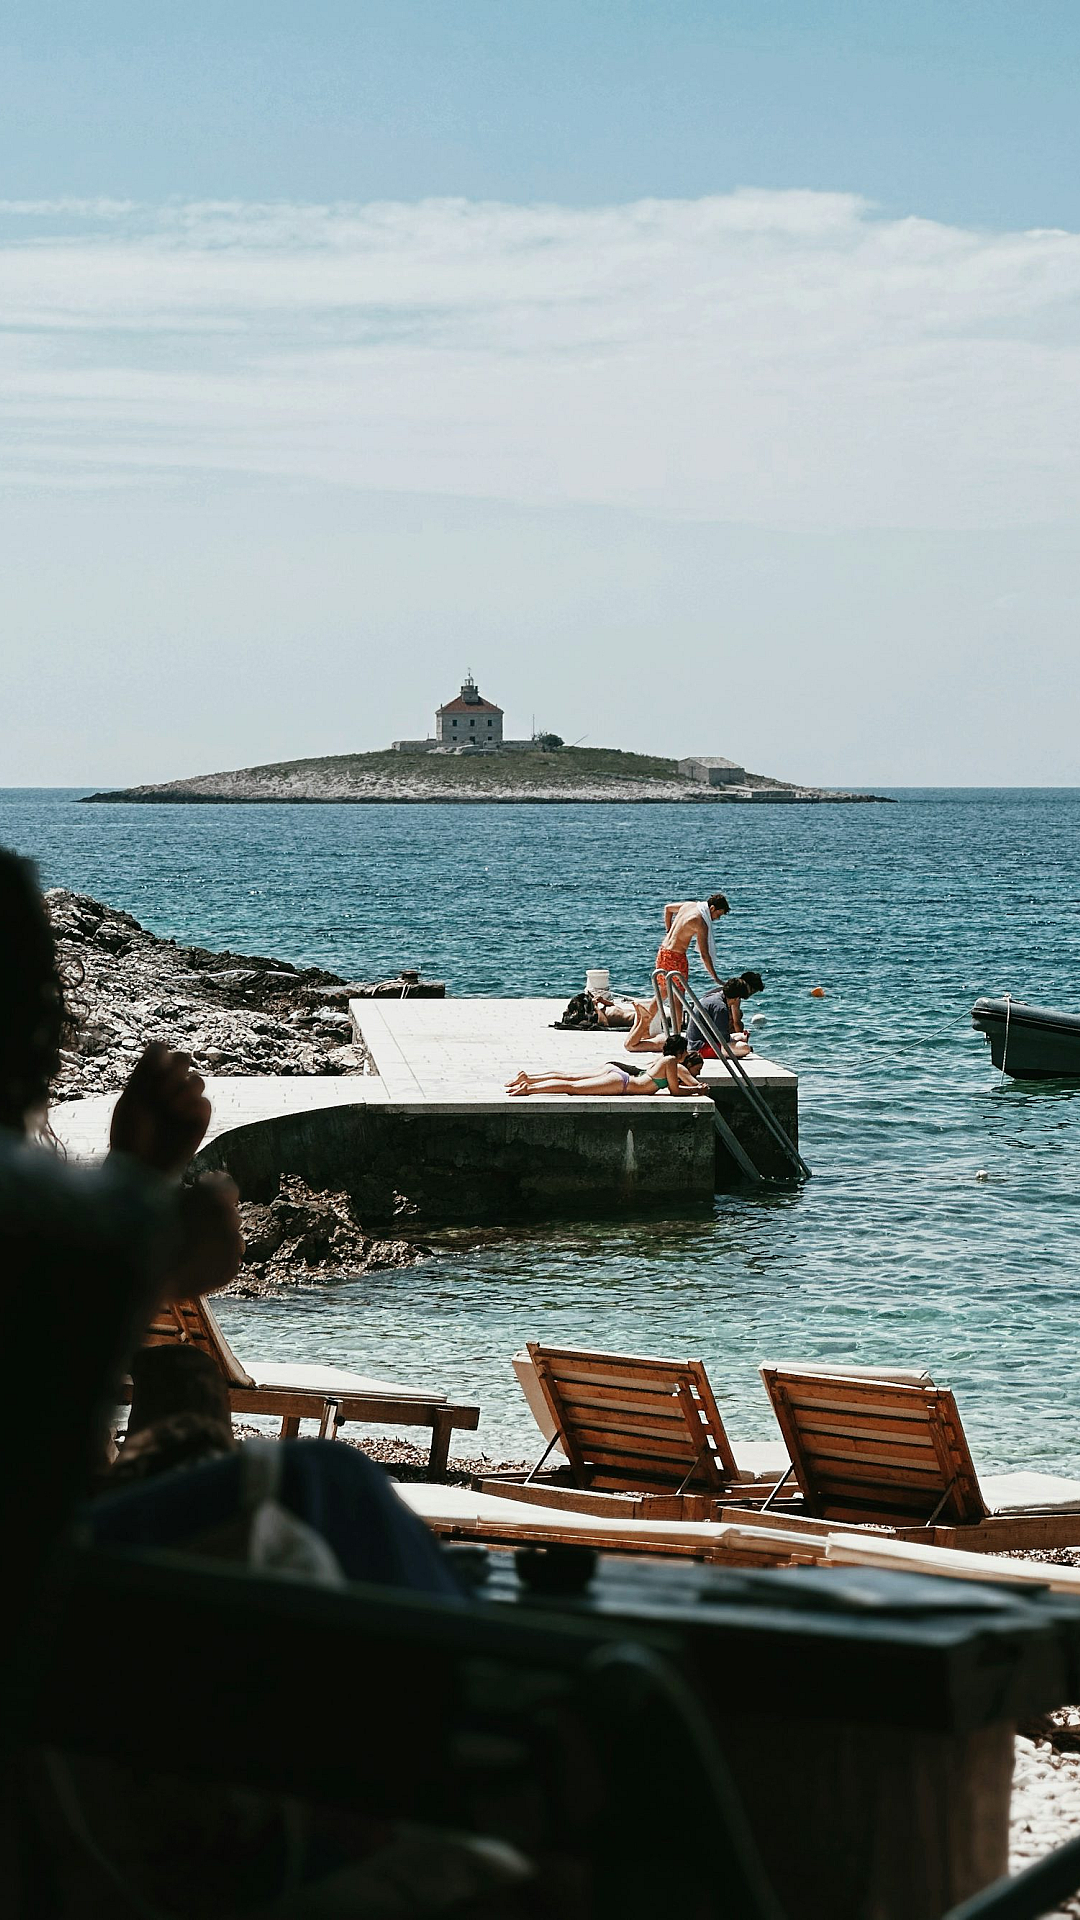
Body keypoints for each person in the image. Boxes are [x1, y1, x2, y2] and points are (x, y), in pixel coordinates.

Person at [506, 1034, 706, 1097]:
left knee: (571, 1079)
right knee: (572, 1087)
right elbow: (675, 1091)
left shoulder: (663, 1060)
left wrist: (695, 1089)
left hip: (622, 1079)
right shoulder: (671, 1062)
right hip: (623, 1084)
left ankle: (529, 1081)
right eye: (685, 1051)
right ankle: (529, 1089)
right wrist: (697, 1089)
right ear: (680, 1052)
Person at [685, 972, 765, 1059]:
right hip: (700, 1047)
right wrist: (737, 1042)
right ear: (736, 998)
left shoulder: (716, 996)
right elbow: (723, 1039)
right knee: (745, 1048)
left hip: (696, 1041)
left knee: (740, 1036)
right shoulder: (721, 1008)